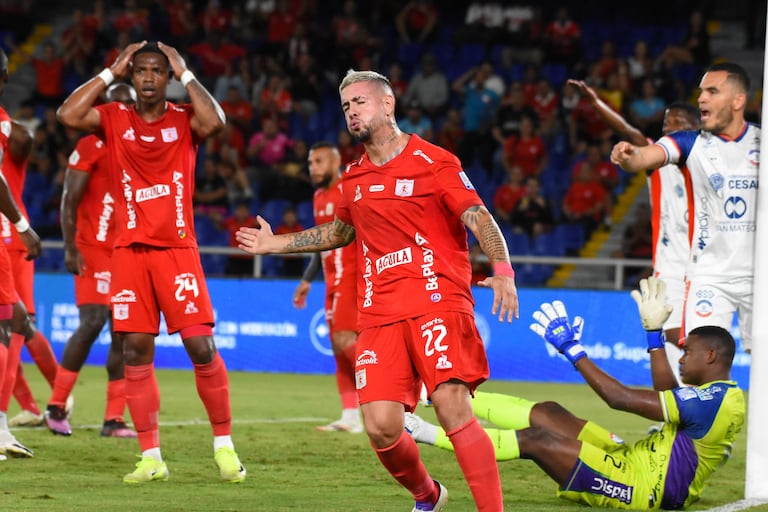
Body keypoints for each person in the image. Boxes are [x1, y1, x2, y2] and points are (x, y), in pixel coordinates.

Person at [237, 68, 519, 512]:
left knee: (451, 406)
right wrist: (277, 244)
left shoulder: (435, 161)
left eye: (360, 102)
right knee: (382, 426)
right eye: (346, 106)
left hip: (436, 298)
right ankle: (429, 496)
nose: (352, 111)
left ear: (388, 104)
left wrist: (502, 269)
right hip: (380, 312)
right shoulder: (353, 178)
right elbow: (339, 232)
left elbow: (479, 217)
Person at [56, 41, 246, 483]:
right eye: (140, 70)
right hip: (128, 254)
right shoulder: (114, 118)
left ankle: (224, 447)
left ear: (167, 77)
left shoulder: (184, 120)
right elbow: (67, 114)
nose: (147, 77)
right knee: (135, 352)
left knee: (201, 347)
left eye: (157, 71)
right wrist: (110, 70)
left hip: (177, 252)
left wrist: (186, 72)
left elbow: (216, 122)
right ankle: (151, 457)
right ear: (131, 75)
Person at [405, 277, 745, 510]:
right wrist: (653, 334)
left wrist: (572, 350)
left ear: (710, 356)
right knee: (549, 413)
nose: (681, 358)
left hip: (644, 488)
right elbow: (668, 395)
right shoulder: (721, 396)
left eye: (688, 352)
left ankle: (422, 431)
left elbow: (620, 399)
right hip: (635, 459)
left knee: (538, 440)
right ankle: (442, 397)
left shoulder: (714, 401)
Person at [611, 62, 758, 354]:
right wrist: (629, 157)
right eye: (701, 91)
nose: (702, 98)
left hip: (759, 273)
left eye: (712, 91)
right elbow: (645, 157)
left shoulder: (761, 142)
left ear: (737, 100)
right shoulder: (689, 143)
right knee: (699, 360)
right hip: (709, 276)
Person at [568, 78, 701, 383]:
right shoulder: (657, 160)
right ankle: (674, 405)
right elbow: (628, 131)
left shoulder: (712, 161)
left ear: (694, 128)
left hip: (707, 266)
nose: (668, 129)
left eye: (676, 123)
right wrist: (596, 102)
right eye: (665, 124)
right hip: (670, 267)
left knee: (700, 340)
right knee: (671, 340)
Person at [43, 83, 138, 438]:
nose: (124, 110)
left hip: (126, 252)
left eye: (129, 105)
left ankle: (113, 419)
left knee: (124, 334)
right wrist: (70, 246)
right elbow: (69, 199)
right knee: (92, 321)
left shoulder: (141, 148)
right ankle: (56, 406)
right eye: (118, 104)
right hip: (93, 249)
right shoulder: (90, 145)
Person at [292, 142, 361, 434]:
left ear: (335, 162)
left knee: (345, 339)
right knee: (337, 344)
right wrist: (308, 279)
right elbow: (322, 241)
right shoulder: (318, 196)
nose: (313, 168)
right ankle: (351, 417)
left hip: (353, 277)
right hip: (332, 281)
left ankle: (397, 390)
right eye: (310, 163)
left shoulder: (350, 189)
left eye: (319, 161)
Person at [1, 119, 63, 429]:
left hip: (14, 243)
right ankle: (28, 406)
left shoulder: (9, 134)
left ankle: (61, 396)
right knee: (11, 326)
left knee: (20, 324)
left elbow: (24, 138)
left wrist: (6, 121)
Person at [0, 48, 43, 459]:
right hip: (6, 236)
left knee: (14, 320)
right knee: (10, 324)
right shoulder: (3, 123)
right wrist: (23, 226)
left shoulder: (9, 128)